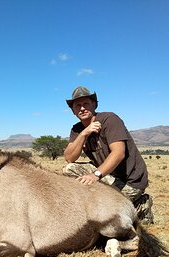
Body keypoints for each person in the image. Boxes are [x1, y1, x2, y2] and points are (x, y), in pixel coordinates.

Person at [63, 86, 153, 224]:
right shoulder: (77, 129)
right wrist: (84, 133)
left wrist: (95, 175)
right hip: (108, 176)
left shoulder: (109, 119)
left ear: (94, 104)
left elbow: (119, 153)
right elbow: (69, 158)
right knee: (69, 169)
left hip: (130, 182)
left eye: (86, 103)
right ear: (73, 110)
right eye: (78, 105)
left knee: (108, 214)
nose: (82, 108)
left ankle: (140, 205)